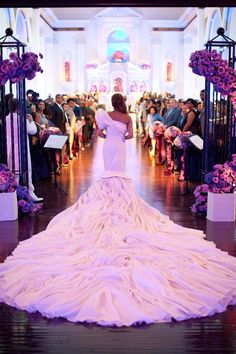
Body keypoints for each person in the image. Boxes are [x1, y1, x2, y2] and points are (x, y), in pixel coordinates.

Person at [0, 93, 235, 327]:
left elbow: (100, 133)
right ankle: (119, 197)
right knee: (119, 173)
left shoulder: (105, 115)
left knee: (108, 172)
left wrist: (108, 132)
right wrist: (121, 133)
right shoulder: (126, 117)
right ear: (123, 103)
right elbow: (131, 135)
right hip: (120, 146)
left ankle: (107, 197)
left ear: (112, 103)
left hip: (109, 147)